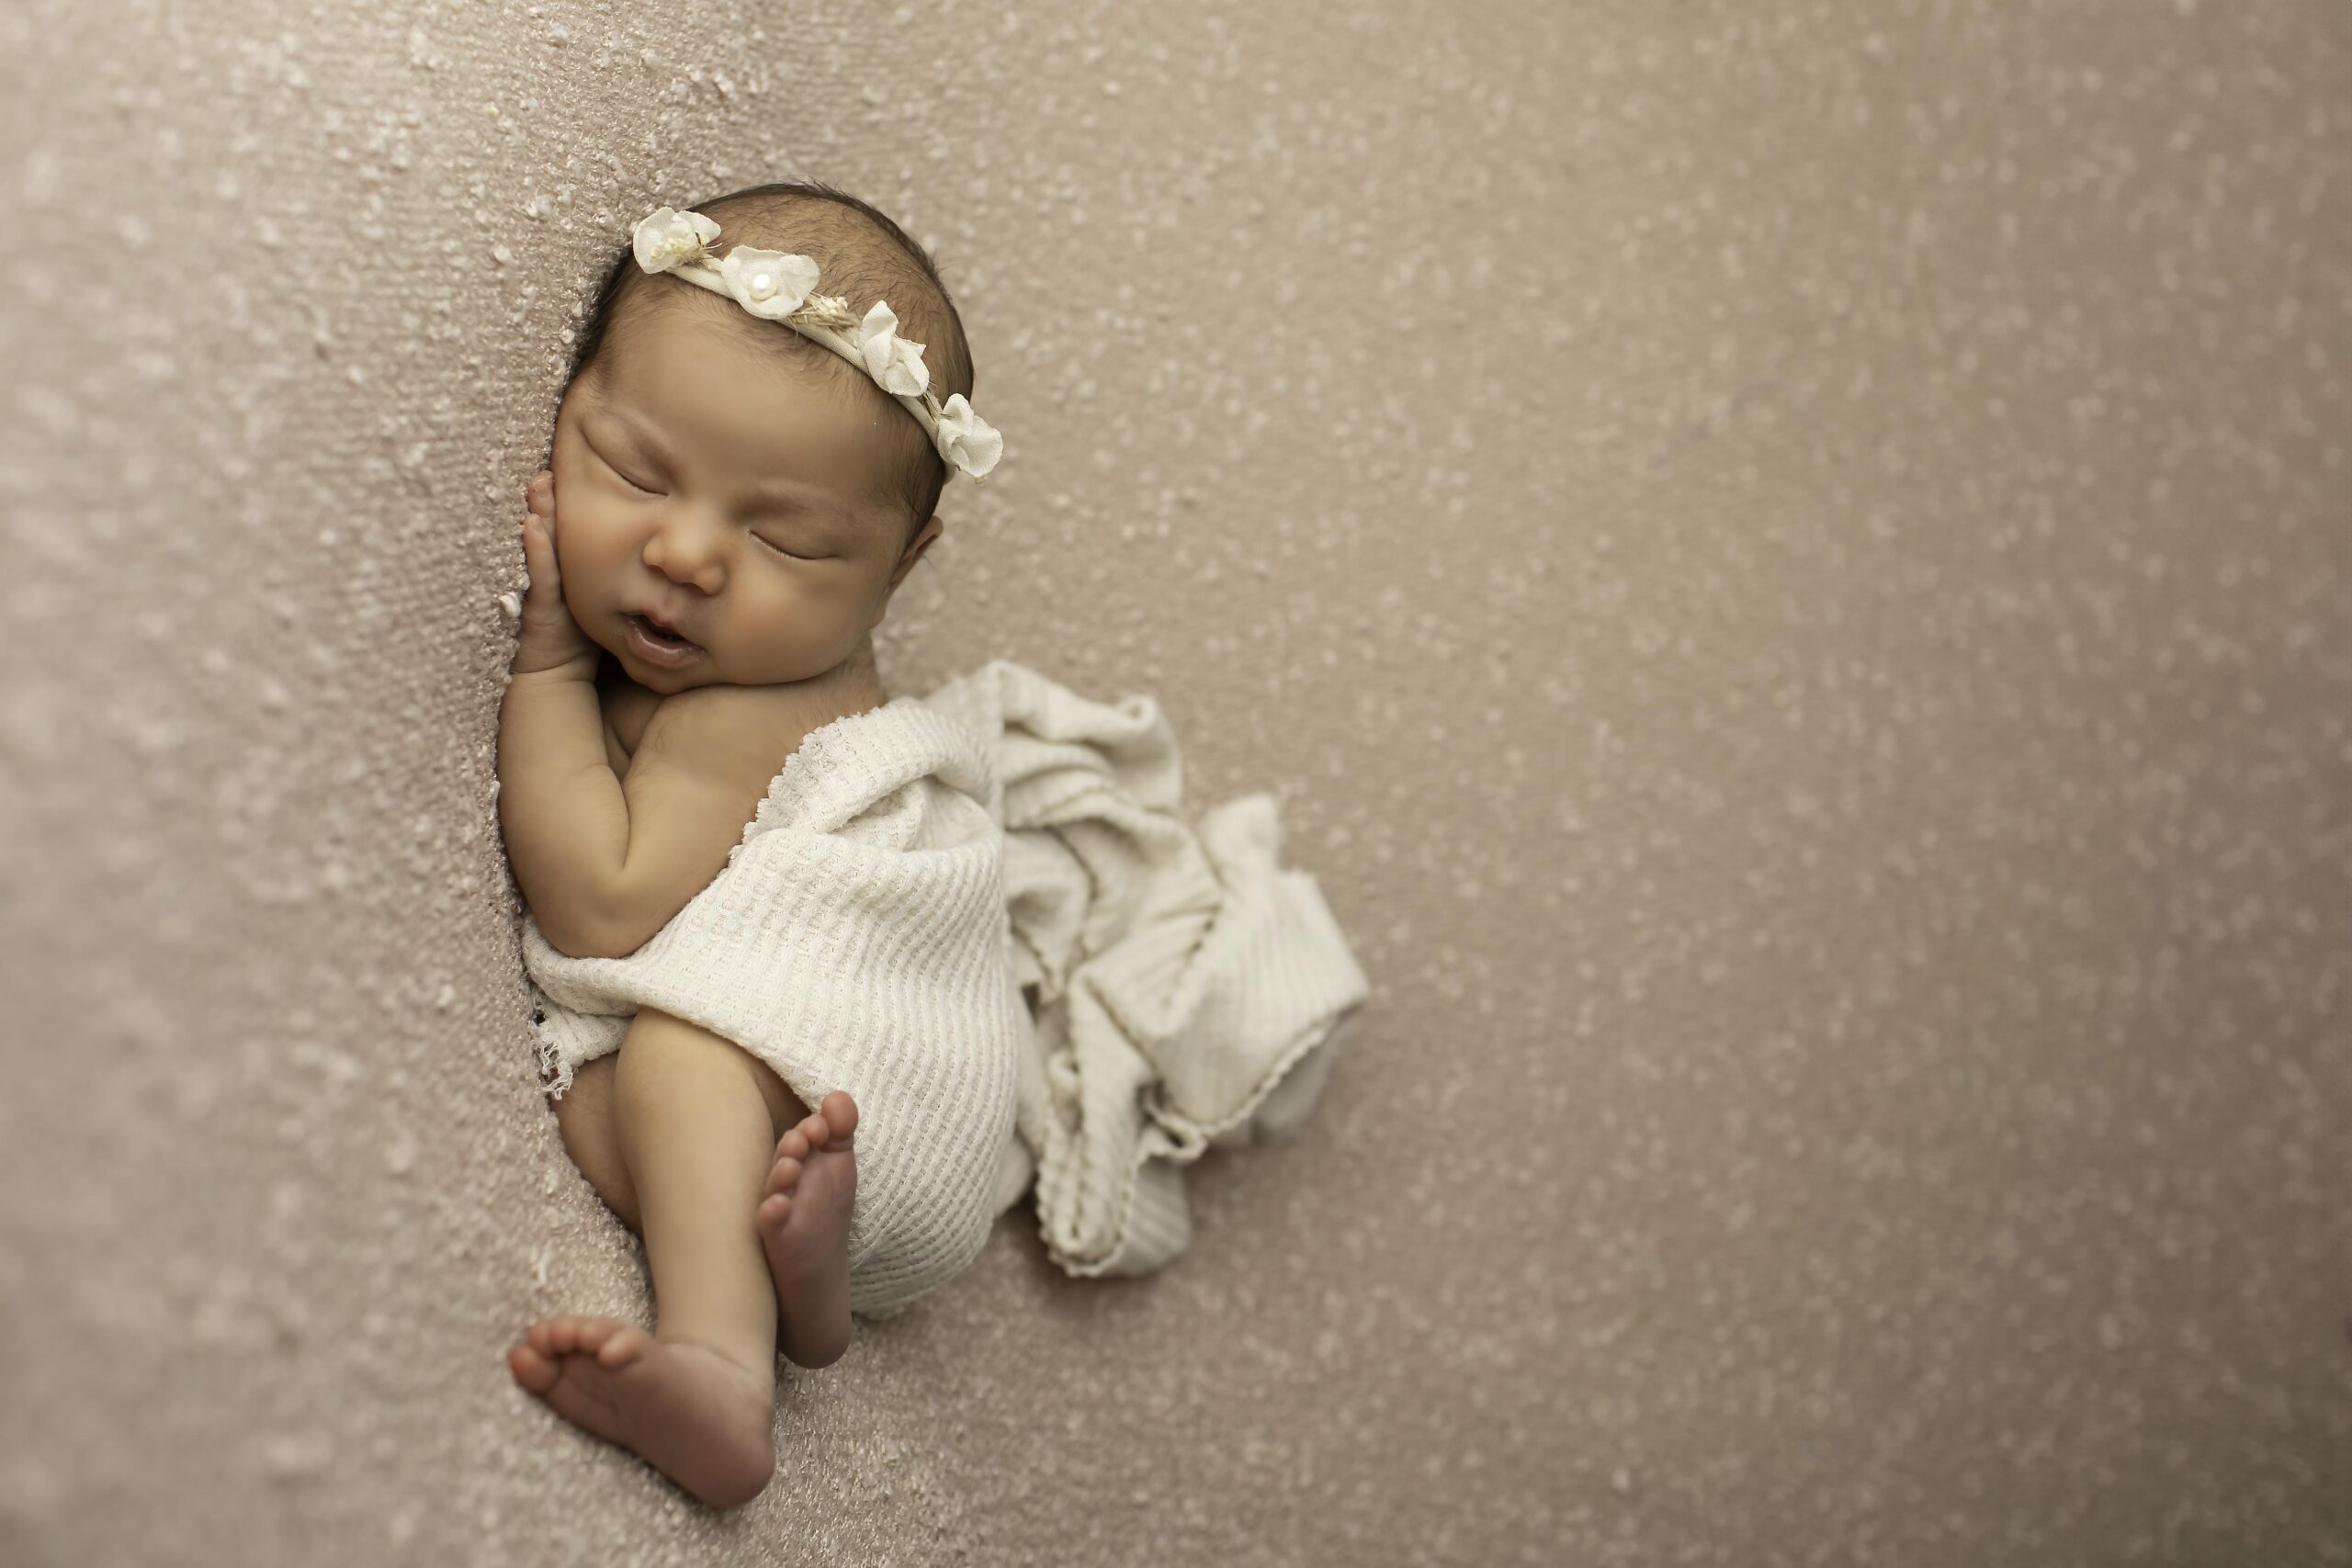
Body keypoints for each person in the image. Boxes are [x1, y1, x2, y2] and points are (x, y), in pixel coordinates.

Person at [497, 181, 1010, 1508]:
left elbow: (602, 902)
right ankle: (807, 1291)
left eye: (782, 537)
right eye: (633, 471)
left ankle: (722, 1368)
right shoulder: (764, 634)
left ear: (900, 569)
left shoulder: (747, 715)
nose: (686, 553)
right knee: (609, 1112)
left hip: (879, 1099)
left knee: (674, 1057)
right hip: (833, 1158)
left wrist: (553, 667)